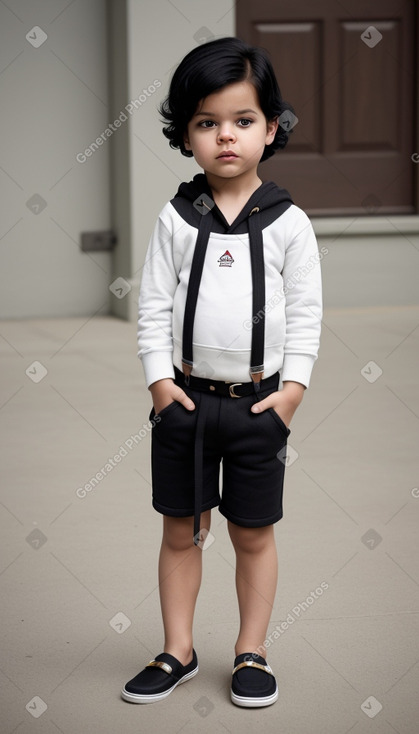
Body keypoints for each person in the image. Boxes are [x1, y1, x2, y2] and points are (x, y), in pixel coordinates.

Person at [121, 36, 322, 708]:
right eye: (206, 124)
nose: (225, 138)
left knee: (252, 533)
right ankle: (177, 649)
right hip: (184, 401)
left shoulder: (289, 224)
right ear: (185, 136)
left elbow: (306, 313)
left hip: (258, 406)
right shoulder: (177, 219)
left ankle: (250, 651)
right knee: (180, 529)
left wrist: (290, 393)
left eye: (242, 121)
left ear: (270, 128)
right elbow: (150, 307)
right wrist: (159, 384)